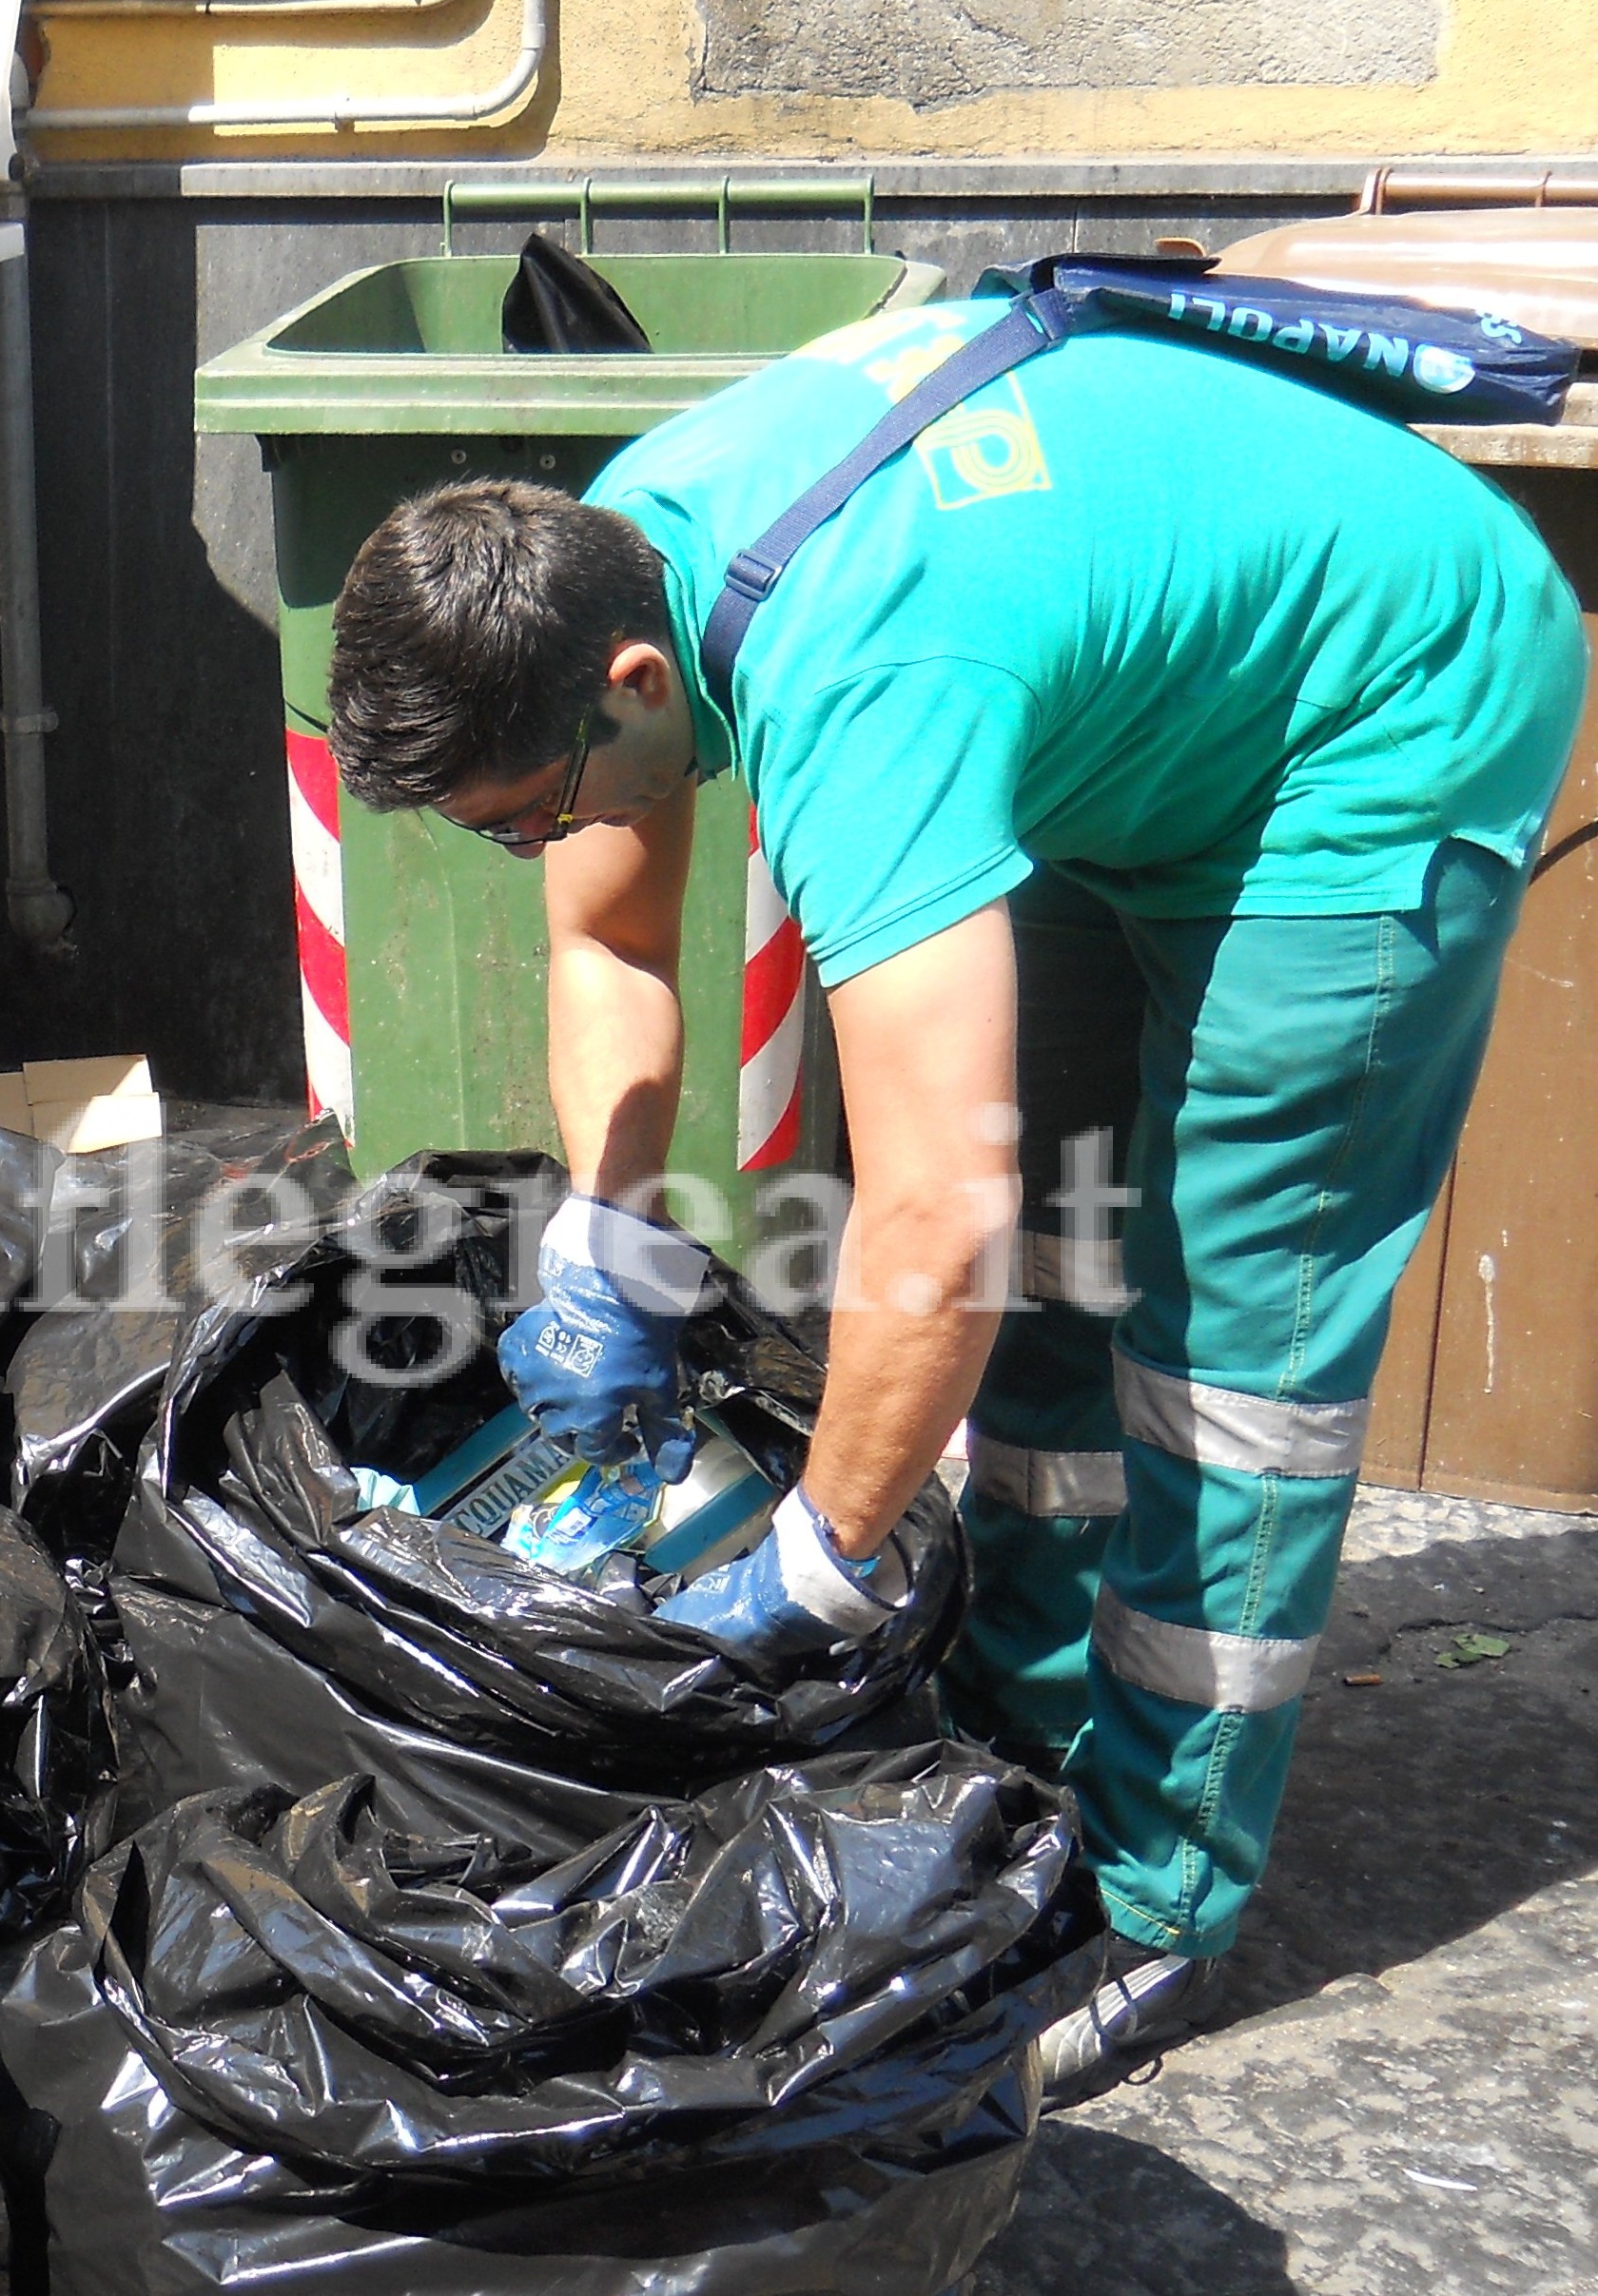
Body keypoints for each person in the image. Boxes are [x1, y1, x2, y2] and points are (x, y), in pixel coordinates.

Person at [318, 290, 1583, 2103]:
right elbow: (609, 941)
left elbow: (933, 1213)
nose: (532, 852)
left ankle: (1155, 1892)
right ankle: (1024, 1714)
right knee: (1071, 1245)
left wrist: (815, 1564)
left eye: (525, 814)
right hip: (1122, 710)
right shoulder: (600, 564)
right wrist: (603, 1233)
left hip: (1379, 715)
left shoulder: (861, 684)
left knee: (1233, 1334)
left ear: (631, 686)